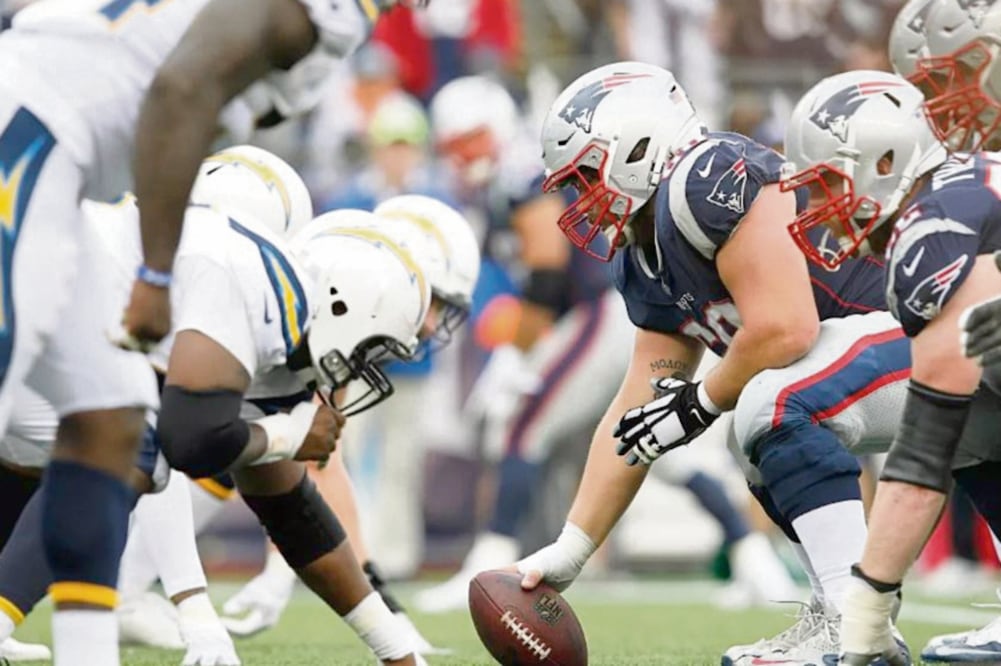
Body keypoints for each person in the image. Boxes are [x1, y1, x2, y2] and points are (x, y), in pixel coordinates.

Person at [0, 0, 427, 661]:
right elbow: (182, 87)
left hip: (67, 159)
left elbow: (291, 510)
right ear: (345, 306)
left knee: (113, 421)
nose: (366, 369)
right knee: (126, 429)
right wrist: (159, 275)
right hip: (37, 134)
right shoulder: (254, 282)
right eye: (375, 351)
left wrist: (394, 645)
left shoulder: (278, 337)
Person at [507, 61, 915, 665]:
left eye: (587, 173)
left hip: (945, 332)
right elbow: (639, 405)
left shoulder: (706, 177)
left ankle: (859, 626)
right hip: (905, 358)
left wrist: (699, 403)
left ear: (637, 143)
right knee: (753, 424)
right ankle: (844, 614)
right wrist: (571, 548)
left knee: (768, 403)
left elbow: (785, 328)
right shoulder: (646, 250)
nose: (582, 199)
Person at [777, 67, 1001, 665]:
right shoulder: (970, 180)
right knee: (981, 404)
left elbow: (924, 456)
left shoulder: (930, 229)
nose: (820, 208)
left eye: (826, 184)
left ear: (883, 162)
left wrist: (866, 615)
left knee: (955, 404)